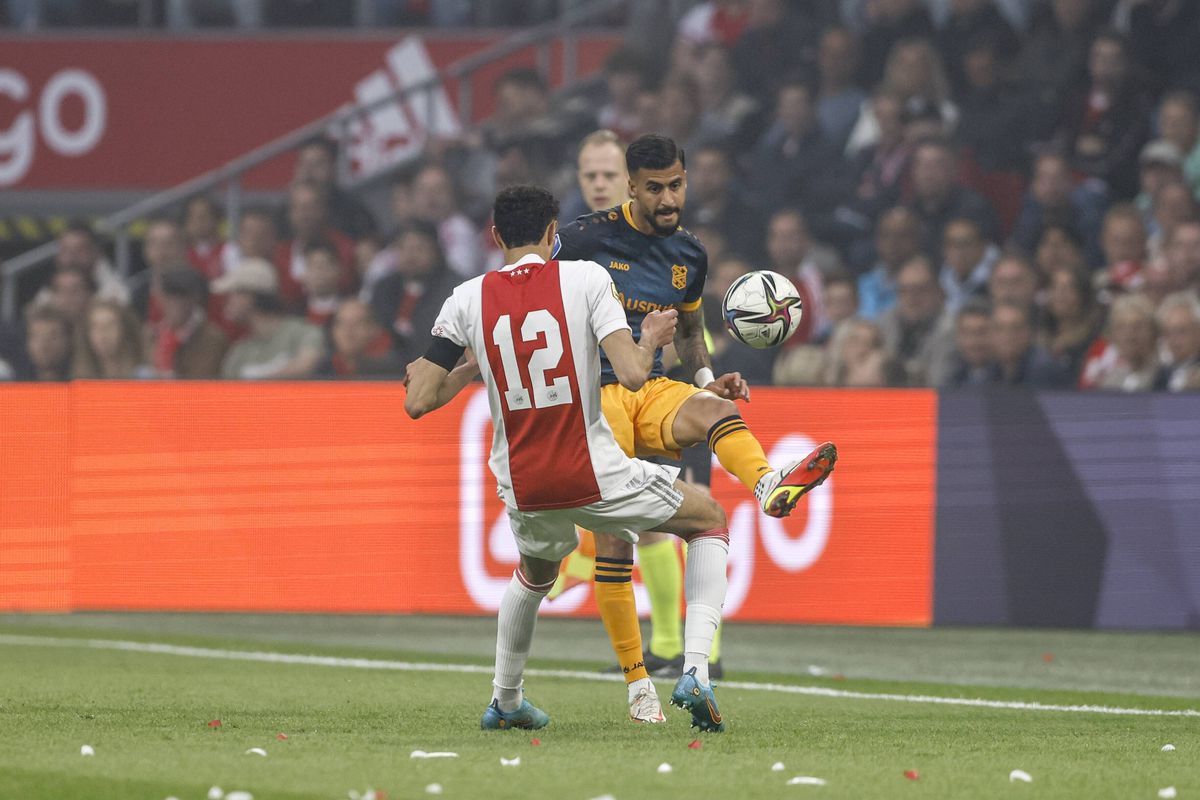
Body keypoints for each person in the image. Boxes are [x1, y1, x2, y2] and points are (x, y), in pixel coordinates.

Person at [404, 184, 732, 733]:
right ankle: (696, 667)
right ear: (554, 233)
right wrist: (649, 336)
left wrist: (471, 365)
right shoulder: (585, 278)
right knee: (709, 520)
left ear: (495, 236)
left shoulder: (466, 298)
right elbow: (631, 374)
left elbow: (418, 401)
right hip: (593, 470)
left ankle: (506, 701)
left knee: (533, 575)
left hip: (524, 482)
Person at [553, 134, 838, 705]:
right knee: (617, 544)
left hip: (651, 388)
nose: (667, 198)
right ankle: (638, 682)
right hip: (595, 396)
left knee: (719, 410)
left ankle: (767, 485)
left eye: (676, 185)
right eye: (654, 188)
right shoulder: (582, 240)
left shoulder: (689, 253)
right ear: (632, 186)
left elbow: (688, 333)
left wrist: (707, 380)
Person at [217, 259, 325, 380]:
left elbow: (305, 366)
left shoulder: (303, 332)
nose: (227, 302)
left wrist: (255, 381)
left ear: (250, 296)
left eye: (232, 294)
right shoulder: (239, 352)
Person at [151, 266, 230, 379]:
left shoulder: (213, 338)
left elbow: (201, 381)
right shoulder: (152, 334)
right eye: (169, 295)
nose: (175, 303)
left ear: (196, 298)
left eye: (182, 295)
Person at [71, 299, 153, 380]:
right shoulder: (80, 380)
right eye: (95, 327)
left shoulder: (144, 377)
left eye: (110, 325)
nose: (103, 334)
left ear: (125, 330)